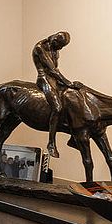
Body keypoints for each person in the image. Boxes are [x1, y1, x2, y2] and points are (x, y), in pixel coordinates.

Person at [32, 31, 81, 160]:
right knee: (57, 107)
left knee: (73, 100)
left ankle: (73, 138)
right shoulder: (40, 48)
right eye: (59, 45)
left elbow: (56, 70)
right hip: (44, 79)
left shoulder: (55, 48)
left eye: (62, 47)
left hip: (55, 80)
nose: (60, 49)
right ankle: (51, 143)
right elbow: (52, 70)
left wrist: (67, 84)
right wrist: (68, 83)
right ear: (54, 39)